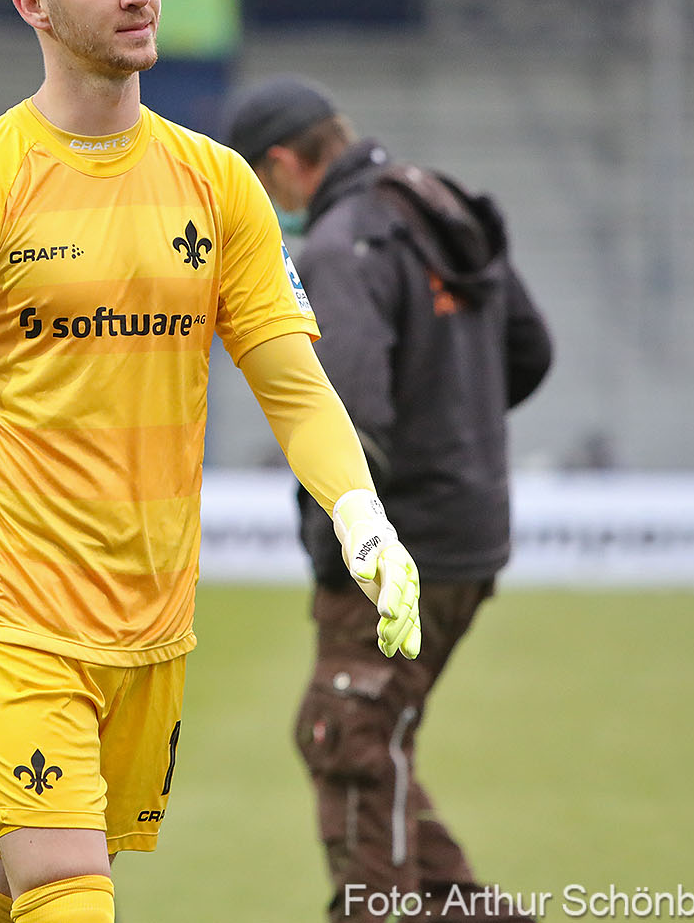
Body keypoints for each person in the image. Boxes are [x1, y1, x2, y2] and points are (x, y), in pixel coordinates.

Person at [0, 0, 421, 923]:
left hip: (153, 620)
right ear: (34, 3)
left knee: (34, 888)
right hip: (7, 615)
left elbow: (293, 384)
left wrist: (362, 514)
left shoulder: (220, 184)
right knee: (74, 895)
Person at [222, 75, 552, 923]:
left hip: (398, 547)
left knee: (350, 741)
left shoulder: (339, 246)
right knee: (365, 737)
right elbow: (532, 351)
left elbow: (348, 411)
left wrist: (340, 547)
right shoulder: (438, 205)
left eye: (260, 186)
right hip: (474, 531)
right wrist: (457, 430)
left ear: (285, 165)